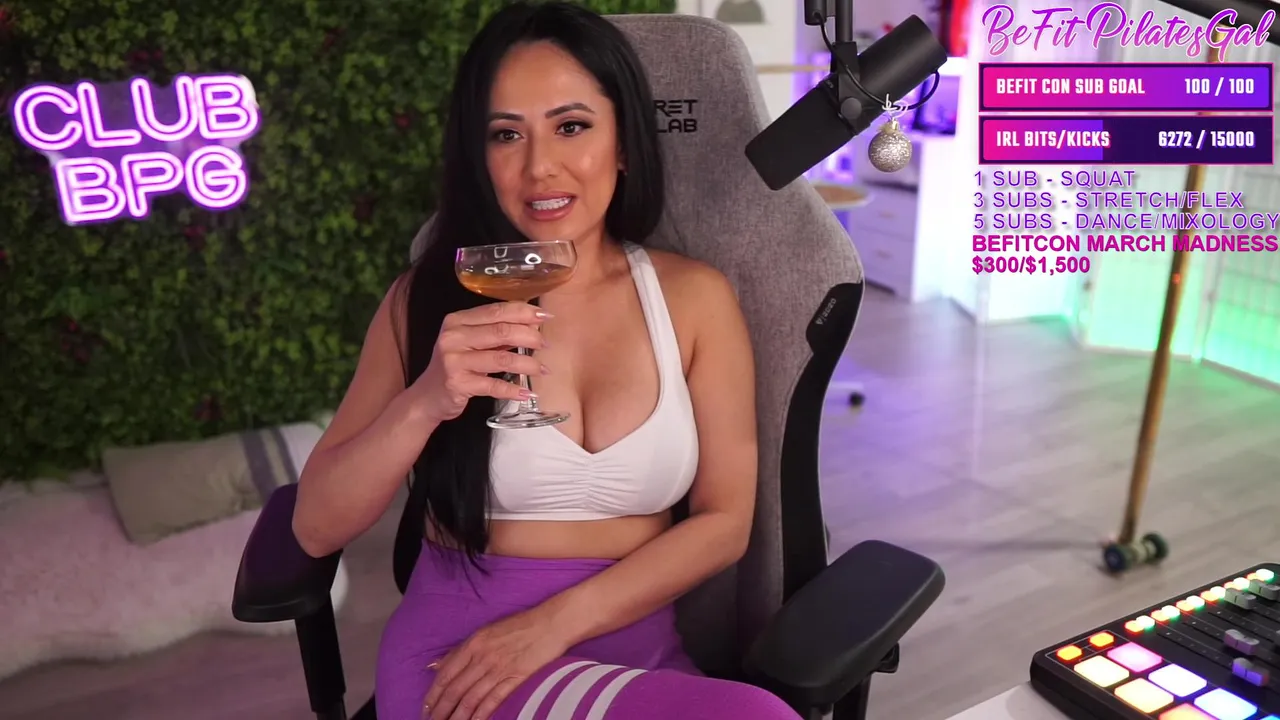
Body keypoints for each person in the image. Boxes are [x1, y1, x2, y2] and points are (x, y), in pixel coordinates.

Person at [292, 3, 798, 718]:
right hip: (466, 662)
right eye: (506, 135)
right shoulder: (426, 300)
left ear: (623, 145)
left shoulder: (695, 299)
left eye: (571, 126)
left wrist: (553, 626)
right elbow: (315, 526)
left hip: (633, 651)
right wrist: (427, 401)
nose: (539, 167)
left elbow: (725, 522)